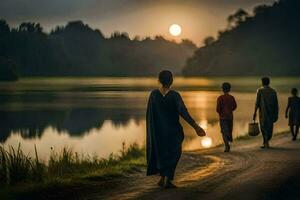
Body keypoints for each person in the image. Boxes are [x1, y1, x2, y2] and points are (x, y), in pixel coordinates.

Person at [146, 70, 206, 188]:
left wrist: (151, 133)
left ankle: (163, 178)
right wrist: (196, 127)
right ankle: (167, 179)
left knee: (163, 153)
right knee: (174, 153)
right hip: (172, 132)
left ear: (159, 80)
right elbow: (183, 112)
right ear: (171, 80)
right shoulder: (174, 95)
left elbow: (149, 116)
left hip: (158, 133)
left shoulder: (153, 95)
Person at [253, 77, 278, 149]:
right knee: (269, 127)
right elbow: (276, 104)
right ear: (268, 82)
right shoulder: (273, 91)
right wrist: (276, 114)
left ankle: (265, 141)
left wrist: (254, 112)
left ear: (262, 82)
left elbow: (257, 103)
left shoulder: (260, 91)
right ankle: (266, 141)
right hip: (271, 112)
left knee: (263, 127)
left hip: (263, 113)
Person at [216, 82, 237, 152]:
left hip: (222, 118)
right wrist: (230, 110)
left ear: (222, 89)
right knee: (229, 130)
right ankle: (228, 142)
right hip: (230, 117)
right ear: (229, 89)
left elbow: (217, 109)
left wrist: (221, 113)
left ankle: (226, 145)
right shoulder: (231, 97)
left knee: (224, 131)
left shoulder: (220, 98)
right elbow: (234, 106)